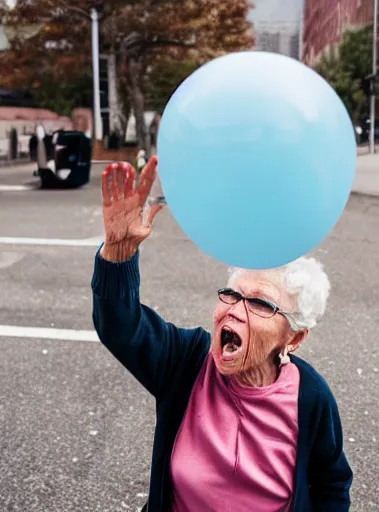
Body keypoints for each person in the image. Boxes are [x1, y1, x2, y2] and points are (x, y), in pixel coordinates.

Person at [91, 156, 353, 512]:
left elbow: (331, 484)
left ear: (292, 338)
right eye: (232, 294)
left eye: (260, 303)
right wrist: (119, 254)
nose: (234, 309)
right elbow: (121, 328)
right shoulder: (186, 362)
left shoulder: (312, 396)